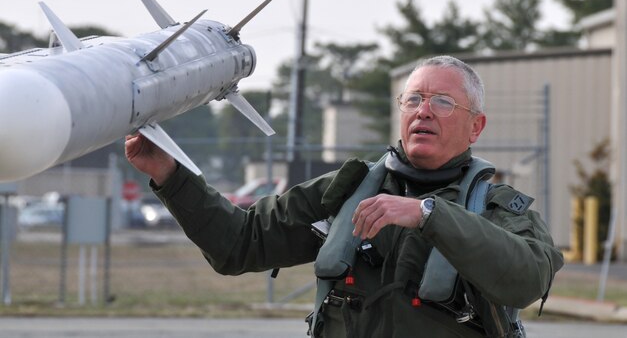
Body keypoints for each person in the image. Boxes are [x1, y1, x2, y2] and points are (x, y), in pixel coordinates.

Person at [125, 55, 563, 338]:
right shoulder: (347, 192)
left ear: (476, 126)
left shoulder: (497, 208)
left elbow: (526, 279)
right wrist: (170, 174)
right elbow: (239, 244)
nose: (423, 111)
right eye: (413, 99)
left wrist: (429, 214)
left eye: (443, 102)